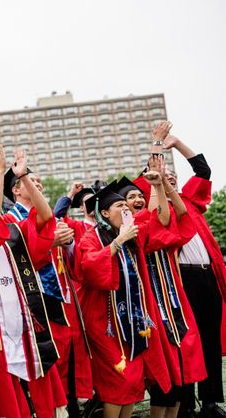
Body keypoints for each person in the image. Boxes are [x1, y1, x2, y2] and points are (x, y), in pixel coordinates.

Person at [0, 145, 62, 418]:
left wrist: (22, 179)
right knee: (5, 400)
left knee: (39, 393)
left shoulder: (14, 229)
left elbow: (45, 219)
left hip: (24, 324)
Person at [77, 176, 173, 418]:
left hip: (134, 321)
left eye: (127, 206)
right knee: (116, 381)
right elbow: (88, 268)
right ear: (106, 213)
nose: (127, 209)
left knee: (132, 380)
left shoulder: (133, 237)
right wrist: (118, 242)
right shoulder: (92, 237)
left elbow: (161, 218)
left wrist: (158, 185)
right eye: (120, 206)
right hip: (104, 323)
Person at [117, 162, 206, 418]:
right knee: (164, 376)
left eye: (138, 196)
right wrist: (156, 184)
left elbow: (176, 213)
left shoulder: (152, 222)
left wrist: (161, 184)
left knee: (180, 372)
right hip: (153, 308)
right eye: (130, 197)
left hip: (175, 302)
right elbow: (163, 218)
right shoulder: (132, 230)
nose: (136, 199)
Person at [154, 127, 226, 418]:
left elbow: (203, 169)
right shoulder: (157, 209)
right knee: (185, 341)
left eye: (173, 176)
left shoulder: (190, 202)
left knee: (209, 340)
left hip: (208, 275)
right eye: (163, 176)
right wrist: (158, 146)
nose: (170, 178)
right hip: (179, 279)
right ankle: (184, 404)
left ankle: (209, 402)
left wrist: (177, 144)